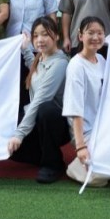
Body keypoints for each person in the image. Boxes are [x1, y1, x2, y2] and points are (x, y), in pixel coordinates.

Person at [8, 17, 70, 184]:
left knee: (45, 108)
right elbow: (34, 70)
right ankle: (43, 155)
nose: (40, 40)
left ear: (56, 36)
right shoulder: (40, 58)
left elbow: (41, 99)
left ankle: (53, 164)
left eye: (45, 34)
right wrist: (25, 48)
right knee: (9, 143)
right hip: (38, 121)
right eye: (36, 36)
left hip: (57, 124)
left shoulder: (60, 64)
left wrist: (19, 135)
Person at [63, 16, 110, 186]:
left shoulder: (102, 61)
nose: (95, 37)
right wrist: (80, 146)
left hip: (103, 128)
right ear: (80, 35)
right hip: (86, 130)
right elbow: (75, 109)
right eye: (90, 33)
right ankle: (76, 167)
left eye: (100, 33)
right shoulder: (76, 66)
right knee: (100, 177)